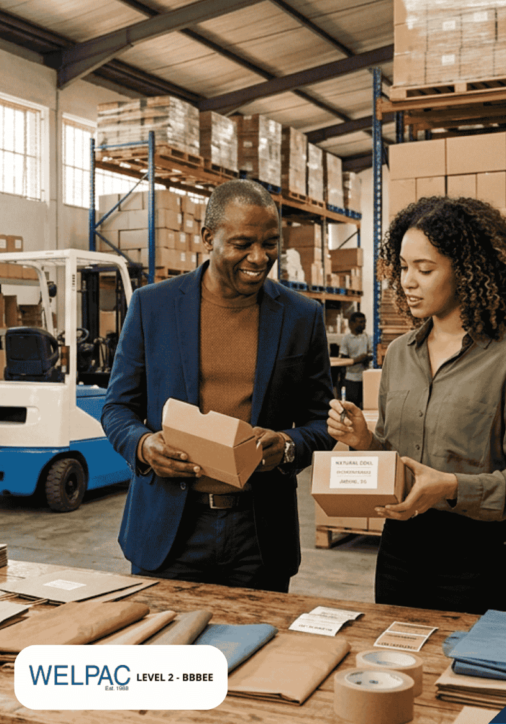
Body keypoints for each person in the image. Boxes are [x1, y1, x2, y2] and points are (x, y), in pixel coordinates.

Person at [102, 179, 335, 593]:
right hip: (169, 530)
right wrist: (143, 446)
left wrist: (287, 444)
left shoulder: (302, 317)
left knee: (258, 652)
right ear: (208, 237)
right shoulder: (152, 306)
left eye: (270, 243)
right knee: (166, 653)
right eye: (243, 243)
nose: (259, 258)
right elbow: (117, 408)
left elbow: (321, 421)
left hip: (259, 534)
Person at [327, 196, 506, 615]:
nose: (407, 281)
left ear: (467, 271)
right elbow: (400, 463)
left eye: (424, 269)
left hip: (482, 560)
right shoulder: (399, 354)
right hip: (400, 553)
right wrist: (365, 442)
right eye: (402, 267)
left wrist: (452, 487)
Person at [339, 311, 371, 408]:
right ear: (351, 324)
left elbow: (372, 353)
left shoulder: (367, 338)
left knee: (366, 406)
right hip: (351, 379)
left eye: (364, 322)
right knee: (352, 407)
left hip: (365, 378)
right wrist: (358, 359)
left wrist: (366, 358)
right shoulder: (346, 339)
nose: (363, 325)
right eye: (360, 322)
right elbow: (343, 360)